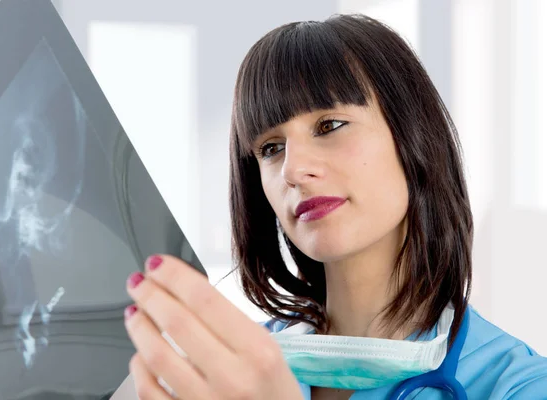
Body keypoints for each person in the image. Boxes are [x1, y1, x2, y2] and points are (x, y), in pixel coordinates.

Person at [121, 14, 547, 400]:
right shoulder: (219, 374)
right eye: (271, 148)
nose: (293, 168)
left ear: (414, 136)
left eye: (330, 125)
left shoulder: (520, 384)